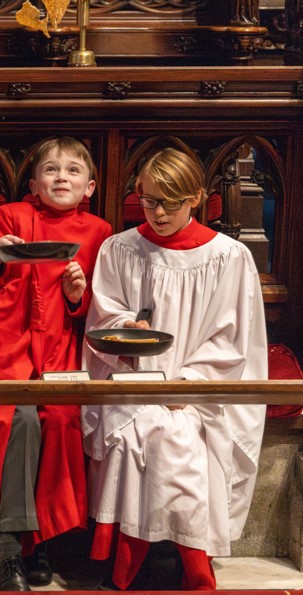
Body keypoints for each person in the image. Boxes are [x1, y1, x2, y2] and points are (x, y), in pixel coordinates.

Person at [82, 147, 267, 590]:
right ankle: (192, 568)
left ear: (197, 198)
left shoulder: (229, 256)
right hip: (132, 381)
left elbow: (230, 337)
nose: (159, 212)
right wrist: (128, 326)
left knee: (176, 435)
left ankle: (126, 567)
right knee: (146, 433)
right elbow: (104, 317)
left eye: (171, 202)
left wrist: (190, 382)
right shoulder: (120, 249)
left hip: (199, 388)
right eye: (148, 201)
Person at [0, 137, 112, 590]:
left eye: (71, 171)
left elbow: (99, 307)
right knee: (19, 421)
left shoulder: (99, 231)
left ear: (89, 186)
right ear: (33, 183)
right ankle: (9, 547)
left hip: (61, 352)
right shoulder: (12, 217)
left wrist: (76, 297)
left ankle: (42, 542)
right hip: (9, 346)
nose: (61, 177)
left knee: (62, 420)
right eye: (50, 170)